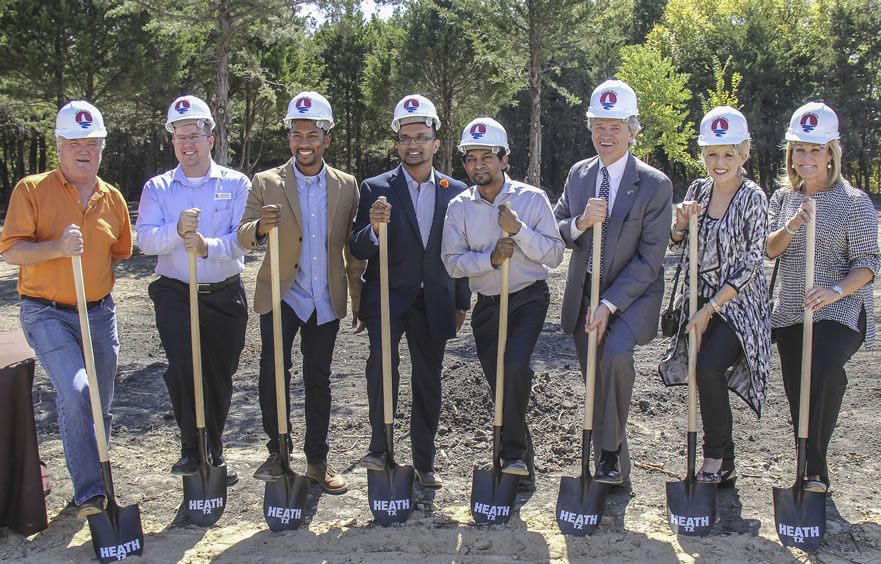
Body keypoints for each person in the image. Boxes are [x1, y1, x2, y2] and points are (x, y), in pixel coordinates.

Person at [0, 101, 132, 517]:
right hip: (47, 312)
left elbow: (119, 252)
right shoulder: (31, 189)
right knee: (76, 393)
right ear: (58, 145)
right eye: (74, 142)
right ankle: (90, 492)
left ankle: (102, 477)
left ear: (102, 147)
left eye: (92, 142)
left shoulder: (112, 198)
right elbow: (11, 251)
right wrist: (56, 248)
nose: (84, 150)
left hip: (99, 313)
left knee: (101, 401)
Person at [238, 92, 364, 494]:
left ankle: (316, 460)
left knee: (318, 380)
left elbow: (351, 250)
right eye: (297, 134)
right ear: (289, 138)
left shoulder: (346, 186)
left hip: (324, 297)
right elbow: (242, 235)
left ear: (327, 137)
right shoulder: (266, 182)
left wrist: (358, 298)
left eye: (312, 134)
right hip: (282, 295)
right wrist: (259, 227)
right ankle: (278, 453)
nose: (304, 142)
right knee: (273, 373)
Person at [553, 79, 672, 487]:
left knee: (616, 357)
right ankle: (615, 465)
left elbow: (651, 259)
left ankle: (605, 453)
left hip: (631, 294)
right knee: (595, 377)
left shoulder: (655, 184)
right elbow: (559, 227)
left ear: (632, 132)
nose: (605, 135)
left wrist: (609, 305)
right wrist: (582, 222)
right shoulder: (578, 175)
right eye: (598, 126)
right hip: (585, 291)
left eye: (615, 127)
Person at [350, 94, 470, 488]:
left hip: (434, 300)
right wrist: (374, 228)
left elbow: (461, 250)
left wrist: (461, 301)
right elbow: (358, 246)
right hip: (388, 297)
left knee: (428, 379)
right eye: (405, 137)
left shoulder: (456, 191)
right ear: (397, 143)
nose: (412, 144)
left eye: (420, 136)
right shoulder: (375, 187)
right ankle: (381, 448)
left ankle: (424, 462)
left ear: (436, 143)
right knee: (382, 369)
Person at [442, 118, 564, 490]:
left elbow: (556, 255)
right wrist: (490, 261)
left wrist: (519, 231)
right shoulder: (459, 207)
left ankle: (509, 453)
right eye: (471, 158)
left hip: (528, 299)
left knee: (515, 366)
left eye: (488, 157)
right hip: (488, 303)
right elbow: (451, 261)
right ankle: (521, 464)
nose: (479, 165)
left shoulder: (531, 199)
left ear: (504, 159)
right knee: (502, 383)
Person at [136, 95, 249, 486]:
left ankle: (213, 450)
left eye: (195, 135)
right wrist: (177, 232)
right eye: (180, 136)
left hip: (224, 293)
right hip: (175, 293)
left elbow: (241, 241)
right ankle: (191, 449)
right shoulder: (158, 188)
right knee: (185, 367)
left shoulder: (236, 183)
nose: (187, 144)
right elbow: (146, 241)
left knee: (219, 373)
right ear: (172, 141)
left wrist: (205, 246)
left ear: (210, 139)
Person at [767, 102, 879, 493]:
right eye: (800, 149)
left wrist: (834, 291)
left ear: (832, 153)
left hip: (841, 310)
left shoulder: (854, 201)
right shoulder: (783, 201)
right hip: (791, 313)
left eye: (816, 149)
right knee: (799, 392)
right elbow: (769, 250)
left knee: (825, 368)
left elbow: (869, 264)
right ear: (790, 155)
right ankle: (806, 468)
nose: (806, 157)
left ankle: (816, 471)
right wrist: (793, 225)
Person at [658, 106, 771, 485]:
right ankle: (727, 463)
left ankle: (714, 458)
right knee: (699, 371)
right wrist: (681, 223)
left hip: (737, 304)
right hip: (697, 297)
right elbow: (676, 245)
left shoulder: (753, 197)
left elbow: (754, 261)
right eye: (711, 153)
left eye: (728, 154)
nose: (719, 162)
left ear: (743, 154)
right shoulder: (697, 191)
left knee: (707, 367)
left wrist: (711, 307)